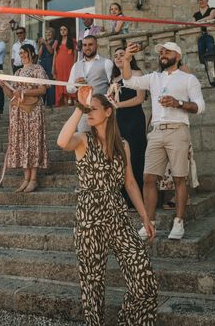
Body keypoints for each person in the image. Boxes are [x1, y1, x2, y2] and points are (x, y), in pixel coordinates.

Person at [57, 90, 158, 325]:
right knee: (92, 282)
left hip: (118, 214)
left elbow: (130, 182)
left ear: (108, 111)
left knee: (142, 269)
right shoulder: (83, 139)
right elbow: (62, 141)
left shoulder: (123, 145)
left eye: (93, 108)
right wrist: (79, 107)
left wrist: (145, 217)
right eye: (88, 109)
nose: (89, 113)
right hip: (89, 216)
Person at [122, 41, 205, 241]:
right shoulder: (154, 77)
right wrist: (126, 58)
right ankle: (149, 223)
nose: (163, 54)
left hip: (178, 129)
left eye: (167, 51)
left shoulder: (188, 79)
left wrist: (178, 103)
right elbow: (129, 82)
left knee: (179, 178)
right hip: (157, 131)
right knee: (149, 178)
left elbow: (200, 106)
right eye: (161, 52)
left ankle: (178, 222)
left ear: (178, 55)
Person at [0, 44, 49, 192]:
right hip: (18, 110)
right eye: (20, 53)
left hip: (33, 109)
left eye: (24, 52)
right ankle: (26, 178)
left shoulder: (37, 69)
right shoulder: (18, 72)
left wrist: (25, 92)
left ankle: (33, 179)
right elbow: (11, 95)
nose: (22, 55)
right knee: (22, 141)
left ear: (31, 53)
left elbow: (43, 89)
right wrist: (4, 85)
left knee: (32, 140)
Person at [108, 47, 146, 208]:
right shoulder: (114, 79)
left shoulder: (137, 74)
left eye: (121, 55)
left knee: (136, 155)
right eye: (115, 56)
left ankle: (139, 198)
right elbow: (109, 99)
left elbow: (140, 98)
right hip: (119, 120)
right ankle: (124, 197)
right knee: (122, 157)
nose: (118, 58)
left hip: (135, 118)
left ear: (129, 57)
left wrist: (119, 105)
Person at [67, 35, 113, 132]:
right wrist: (75, 85)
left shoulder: (107, 63)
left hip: (101, 110)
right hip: (83, 111)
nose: (87, 47)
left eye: (90, 44)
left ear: (97, 46)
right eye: (84, 45)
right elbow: (69, 88)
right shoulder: (76, 65)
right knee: (84, 140)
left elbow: (113, 86)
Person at [52, 25, 77, 106]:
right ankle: (65, 101)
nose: (62, 31)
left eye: (64, 29)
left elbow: (76, 54)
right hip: (59, 66)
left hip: (69, 65)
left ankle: (71, 99)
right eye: (61, 29)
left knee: (69, 80)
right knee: (61, 82)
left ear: (68, 31)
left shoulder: (73, 41)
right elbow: (55, 55)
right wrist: (53, 68)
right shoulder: (57, 42)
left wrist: (74, 65)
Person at [193, 0, 215, 64]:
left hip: (210, 35)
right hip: (200, 36)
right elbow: (193, 23)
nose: (201, 1)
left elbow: (211, 17)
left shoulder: (212, 9)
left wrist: (198, 21)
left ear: (207, 0)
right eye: (199, 0)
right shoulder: (196, 14)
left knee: (212, 55)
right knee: (202, 57)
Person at [38, 27, 56, 107]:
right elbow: (39, 54)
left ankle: (50, 103)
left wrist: (45, 42)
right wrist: (42, 44)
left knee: (50, 82)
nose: (48, 34)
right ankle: (42, 102)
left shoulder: (54, 42)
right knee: (43, 82)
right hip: (43, 62)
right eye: (46, 32)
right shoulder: (44, 43)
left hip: (50, 62)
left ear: (53, 34)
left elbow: (51, 51)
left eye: (50, 32)